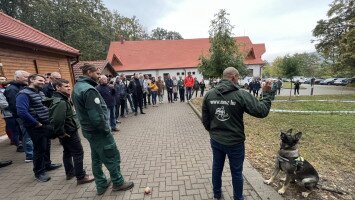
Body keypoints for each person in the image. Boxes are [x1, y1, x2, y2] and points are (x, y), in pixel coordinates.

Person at [202, 67, 275, 200]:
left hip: (216, 140)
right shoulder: (241, 94)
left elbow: (206, 120)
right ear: (234, 77)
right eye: (238, 77)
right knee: (236, 172)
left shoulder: (209, 94)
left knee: (216, 168)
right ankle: (237, 198)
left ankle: (217, 195)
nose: (239, 79)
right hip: (235, 142)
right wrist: (267, 94)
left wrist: (214, 132)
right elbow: (262, 111)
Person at [72, 64, 134, 195]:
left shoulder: (77, 87)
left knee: (96, 158)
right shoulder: (89, 90)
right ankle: (118, 182)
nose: (99, 75)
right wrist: (106, 129)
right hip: (98, 131)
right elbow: (96, 116)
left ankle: (101, 184)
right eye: (97, 72)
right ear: (89, 72)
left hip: (89, 131)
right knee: (111, 155)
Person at [16, 74, 62, 182]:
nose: (43, 82)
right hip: (36, 126)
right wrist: (36, 123)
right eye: (40, 80)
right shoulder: (23, 94)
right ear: (31, 80)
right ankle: (39, 172)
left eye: (44, 80)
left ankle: (47, 165)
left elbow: (44, 106)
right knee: (39, 149)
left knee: (46, 146)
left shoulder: (40, 92)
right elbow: (21, 112)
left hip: (45, 124)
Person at [49, 78, 95, 184]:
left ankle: (70, 172)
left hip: (66, 132)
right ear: (57, 87)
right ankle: (81, 176)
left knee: (68, 152)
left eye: (69, 86)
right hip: (69, 132)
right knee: (78, 153)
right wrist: (61, 133)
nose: (69, 88)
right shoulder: (61, 102)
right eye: (66, 86)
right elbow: (57, 120)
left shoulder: (61, 98)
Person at [4, 70, 33, 160]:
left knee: (28, 134)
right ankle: (30, 155)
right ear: (17, 78)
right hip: (22, 116)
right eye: (25, 77)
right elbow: (14, 106)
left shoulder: (21, 86)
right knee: (26, 135)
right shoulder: (12, 89)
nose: (27, 79)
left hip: (27, 114)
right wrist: (22, 116)